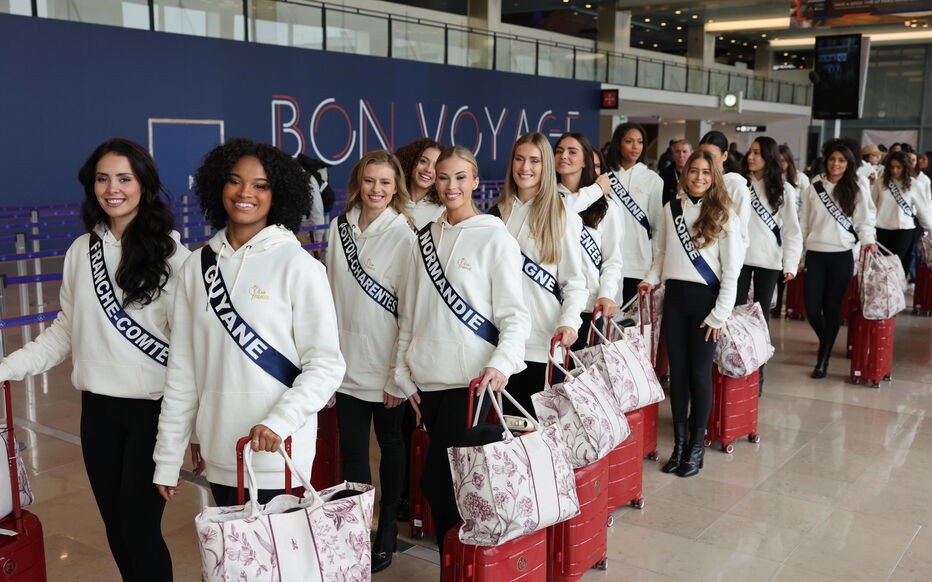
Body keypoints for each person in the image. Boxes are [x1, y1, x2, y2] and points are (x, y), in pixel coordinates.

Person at [0, 138, 189, 581]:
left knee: (140, 528)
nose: (113, 188)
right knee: (117, 530)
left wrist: (190, 427)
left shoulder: (175, 257)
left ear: (144, 184)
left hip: (154, 413)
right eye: (103, 179)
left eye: (124, 178)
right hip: (98, 412)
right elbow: (65, 330)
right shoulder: (80, 251)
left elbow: (189, 351)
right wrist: (5, 367)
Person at [153, 138, 346, 507]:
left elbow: (325, 365)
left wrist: (280, 421)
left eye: (261, 185)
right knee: (236, 565)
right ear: (217, 186)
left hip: (282, 455)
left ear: (279, 195)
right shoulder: (196, 266)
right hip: (222, 455)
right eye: (234, 180)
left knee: (280, 563)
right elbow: (183, 370)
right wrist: (167, 457)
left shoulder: (299, 267)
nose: (245, 193)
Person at [393, 145, 531, 557]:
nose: (451, 186)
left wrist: (501, 363)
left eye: (459, 177)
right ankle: (459, 560)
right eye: (442, 177)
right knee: (452, 482)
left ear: (474, 181)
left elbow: (514, 315)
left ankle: (459, 562)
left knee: (440, 480)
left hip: (469, 382)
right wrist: (401, 371)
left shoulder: (494, 237)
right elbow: (410, 312)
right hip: (426, 380)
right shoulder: (425, 237)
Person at [325, 150, 415, 572]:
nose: (376, 189)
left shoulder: (405, 234)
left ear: (396, 187)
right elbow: (328, 296)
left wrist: (399, 374)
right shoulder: (337, 228)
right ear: (357, 183)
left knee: (392, 446)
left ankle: (387, 530)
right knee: (354, 455)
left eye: (384, 182)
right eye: (369, 181)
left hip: (386, 367)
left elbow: (410, 311)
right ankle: (359, 529)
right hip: (345, 365)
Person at [639, 150, 743, 478]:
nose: (699, 177)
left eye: (706, 173)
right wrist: (649, 279)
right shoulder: (671, 209)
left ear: (715, 177)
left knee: (699, 376)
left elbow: (732, 270)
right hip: (675, 299)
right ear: (685, 174)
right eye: (693, 171)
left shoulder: (725, 213)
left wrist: (719, 314)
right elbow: (663, 253)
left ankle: (697, 447)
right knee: (678, 378)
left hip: (706, 305)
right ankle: (680, 446)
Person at [490, 132, 588, 414]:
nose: (525, 167)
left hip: (542, 345)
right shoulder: (496, 214)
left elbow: (575, 283)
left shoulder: (563, 215)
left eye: (534, 160)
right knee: (505, 434)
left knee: (539, 436)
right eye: (519, 159)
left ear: (546, 166)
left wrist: (570, 322)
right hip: (500, 344)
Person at [798, 143, 877, 379]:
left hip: (842, 255)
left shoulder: (857, 186)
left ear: (848, 163)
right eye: (833, 159)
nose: (836, 164)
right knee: (811, 308)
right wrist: (799, 254)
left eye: (841, 160)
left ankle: (823, 357)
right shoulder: (815, 184)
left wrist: (868, 240)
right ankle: (827, 340)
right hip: (815, 253)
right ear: (827, 160)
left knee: (832, 308)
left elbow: (865, 219)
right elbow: (804, 221)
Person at [554, 132, 624, 347]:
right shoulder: (546, 200)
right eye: (558, 151)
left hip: (589, 307)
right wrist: (596, 190)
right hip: (551, 304)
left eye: (572, 152)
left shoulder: (608, 207)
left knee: (583, 377)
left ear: (585, 160)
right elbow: (561, 213)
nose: (564, 156)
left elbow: (612, 260)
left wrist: (606, 294)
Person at [737, 137, 803, 320]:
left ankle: (760, 348)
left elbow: (792, 230)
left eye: (757, 153)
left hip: (769, 259)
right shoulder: (739, 184)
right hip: (739, 257)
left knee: (761, 313)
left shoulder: (785, 189)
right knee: (735, 310)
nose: (750, 156)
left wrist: (790, 264)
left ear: (769, 156)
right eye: (750, 152)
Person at [606, 122, 665, 303]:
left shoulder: (653, 179)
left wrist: (654, 270)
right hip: (607, 261)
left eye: (639, 142)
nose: (635, 147)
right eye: (629, 141)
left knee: (633, 325)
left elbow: (657, 227)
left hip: (639, 263)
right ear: (618, 143)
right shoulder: (604, 176)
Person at [873, 151, 932, 274]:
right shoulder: (881, 182)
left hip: (903, 231)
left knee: (895, 268)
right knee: (879, 268)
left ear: (905, 167)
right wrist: (870, 229)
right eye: (892, 167)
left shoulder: (915, 185)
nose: (894, 170)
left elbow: (923, 211)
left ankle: (898, 292)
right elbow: (872, 206)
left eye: (898, 167)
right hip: (881, 230)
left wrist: (930, 230)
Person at [699, 131, 751, 253]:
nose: (706, 161)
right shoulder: (694, 183)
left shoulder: (736, 187)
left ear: (725, 156)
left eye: (711, 156)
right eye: (702, 155)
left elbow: (741, 233)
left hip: (724, 258)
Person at [395, 138, 444, 229]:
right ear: (411, 161)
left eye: (435, 166)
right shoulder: (390, 199)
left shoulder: (444, 210)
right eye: (423, 161)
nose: (428, 169)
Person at [661, 139, 693, 205]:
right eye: (677, 151)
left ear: (691, 153)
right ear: (672, 154)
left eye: (684, 151)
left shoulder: (697, 174)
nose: (681, 155)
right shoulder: (664, 174)